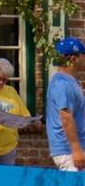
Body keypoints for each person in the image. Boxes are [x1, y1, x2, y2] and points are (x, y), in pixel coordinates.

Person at [47, 37, 85, 171]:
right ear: (74, 59)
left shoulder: (69, 81)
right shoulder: (62, 84)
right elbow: (66, 118)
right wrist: (76, 150)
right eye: (83, 55)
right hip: (68, 151)